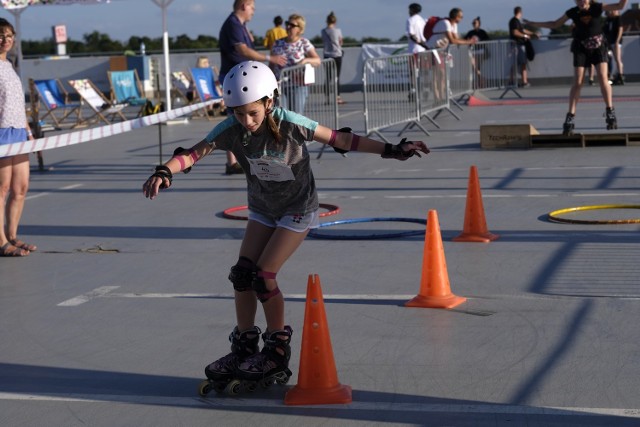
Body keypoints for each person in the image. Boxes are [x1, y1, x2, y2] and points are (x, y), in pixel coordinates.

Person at [142, 60, 430, 392]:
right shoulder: (231, 129)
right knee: (241, 274)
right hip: (263, 209)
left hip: (297, 209)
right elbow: (193, 154)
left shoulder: (291, 123)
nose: (246, 121)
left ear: (269, 102)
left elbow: (341, 139)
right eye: (238, 113)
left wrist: (393, 149)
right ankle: (245, 345)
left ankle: (276, 348)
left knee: (264, 277)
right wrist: (164, 172)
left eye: (252, 113)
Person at [524, 0, 628, 135]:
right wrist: (533, 24)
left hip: (598, 46)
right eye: (577, 0)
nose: (580, 2)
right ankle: (570, 117)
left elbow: (619, 6)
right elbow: (556, 24)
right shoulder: (573, 12)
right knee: (578, 82)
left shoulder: (597, 7)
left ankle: (610, 111)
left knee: (603, 77)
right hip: (581, 47)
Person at [218, 0, 286, 175]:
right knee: (239, 120)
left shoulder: (239, 25)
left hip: (243, 78)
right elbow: (243, 51)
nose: (253, 12)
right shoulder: (233, 24)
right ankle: (234, 162)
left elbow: (248, 46)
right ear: (243, 5)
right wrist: (269, 59)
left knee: (245, 120)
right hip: (237, 79)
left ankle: (240, 160)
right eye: (252, 8)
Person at [0, 18, 36, 257]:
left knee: (20, 187)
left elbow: (17, 103)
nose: (5, 40)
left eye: (9, 36)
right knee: (1, 188)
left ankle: (12, 234)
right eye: (1, 36)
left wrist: (28, 130)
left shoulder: (10, 65)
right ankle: (1, 242)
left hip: (19, 132)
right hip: (1, 132)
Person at [270, 14, 321, 114]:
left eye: (292, 25)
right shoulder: (277, 43)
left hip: (298, 86)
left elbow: (317, 60)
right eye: (287, 24)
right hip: (280, 85)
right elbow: (272, 64)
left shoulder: (304, 43)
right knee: (281, 115)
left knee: (296, 117)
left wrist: (305, 61)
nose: (288, 27)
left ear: (299, 29)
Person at [425, 8, 477, 102]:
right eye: (461, 16)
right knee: (438, 74)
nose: (462, 18)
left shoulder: (454, 25)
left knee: (442, 75)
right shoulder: (446, 23)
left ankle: (442, 98)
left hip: (441, 50)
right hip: (432, 49)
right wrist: (469, 41)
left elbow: (457, 39)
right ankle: (438, 99)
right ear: (456, 16)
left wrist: (467, 41)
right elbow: (453, 40)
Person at [509, 6, 538, 88]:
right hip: (517, 45)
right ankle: (522, 81)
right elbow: (515, 32)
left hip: (519, 45)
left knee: (520, 63)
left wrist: (532, 33)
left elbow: (522, 30)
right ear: (520, 13)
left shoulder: (517, 21)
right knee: (519, 63)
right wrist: (525, 36)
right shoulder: (514, 21)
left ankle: (519, 81)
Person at [321, 11, 345, 104]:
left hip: (327, 54)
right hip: (337, 54)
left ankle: (326, 98)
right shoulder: (337, 31)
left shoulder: (323, 31)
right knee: (337, 76)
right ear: (335, 22)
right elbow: (340, 42)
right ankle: (338, 97)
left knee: (327, 77)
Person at [406, 3, 426, 101]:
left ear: (412, 10)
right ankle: (424, 89)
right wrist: (425, 45)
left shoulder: (410, 20)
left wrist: (420, 43)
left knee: (412, 72)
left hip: (414, 49)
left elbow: (411, 35)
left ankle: (413, 90)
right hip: (423, 50)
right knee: (423, 71)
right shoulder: (422, 20)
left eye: (409, 10)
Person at [464, 16, 490, 88]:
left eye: (475, 23)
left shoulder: (482, 32)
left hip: (480, 51)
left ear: (479, 24)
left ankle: (480, 83)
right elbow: (465, 40)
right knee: (474, 67)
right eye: (473, 23)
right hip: (473, 51)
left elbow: (487, 40)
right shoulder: (470, 32)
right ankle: (482, 80)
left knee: (477, 68)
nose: (474, 24)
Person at [603, 9, 625, 85]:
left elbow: (620, 30)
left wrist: (617, 41)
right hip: (609, 42)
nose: (611, 12)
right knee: (609, 59)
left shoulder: (618, 19)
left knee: (617, 58)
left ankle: (621, 75)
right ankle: (610, 76)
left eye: (613, 11)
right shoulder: (609, 20)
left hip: (615, 42)